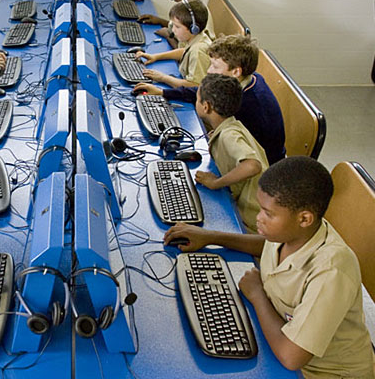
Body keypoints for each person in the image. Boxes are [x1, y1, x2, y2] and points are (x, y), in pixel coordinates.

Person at [164, 156, 375, 378]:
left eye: (268, 213)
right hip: (282, 340)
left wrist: (257, 295)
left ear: (304, 219)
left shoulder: (331, 272)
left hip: (322, 372)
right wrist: (211, 237)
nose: (259, 218)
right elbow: (268, 246)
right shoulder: (296, 233)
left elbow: (291, 357)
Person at [134, 34, 286, 164]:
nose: (209, 71)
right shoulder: (248, 79)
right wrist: (163, 93)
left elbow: (250, 160)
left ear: (236, 71)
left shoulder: (248, 105)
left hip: (262, 168)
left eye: (215, 66)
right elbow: (205, 91)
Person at [194, 74, 269, 232]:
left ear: (206, 106)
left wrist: (216, 183)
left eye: (197, 99)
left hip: (251, 222)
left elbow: (253, 165)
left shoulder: (229, 136)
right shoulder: (231, 126)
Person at [135, 0, 212, 88]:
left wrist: (163, 78)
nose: (173, 30)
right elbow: (184, 52)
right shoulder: (196, 38)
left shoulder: (198, 51)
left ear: (193, 29)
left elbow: (195, 86)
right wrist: (155, 57)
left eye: (177, 26)